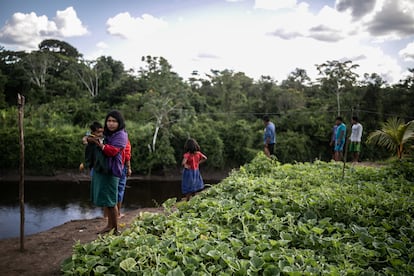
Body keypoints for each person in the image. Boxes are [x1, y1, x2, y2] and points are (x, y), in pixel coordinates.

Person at [88, 110, 128, 234]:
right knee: (107, 199)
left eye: (114, 121)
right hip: (103, 169)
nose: (111, 123)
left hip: (112, 170)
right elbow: (90, 136)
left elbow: (112, 151)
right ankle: (109, 225)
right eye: (109, 121)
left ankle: (115, 229)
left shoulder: (121, 135)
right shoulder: (108, 133)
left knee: (111, 200)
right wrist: (89, 139)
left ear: (119, 122)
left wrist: (99, 145)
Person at [117, 139, 132, 218]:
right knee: (120, 189)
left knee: (111, 190)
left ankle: (107, 214)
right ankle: (118, 213)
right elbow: (127, 155)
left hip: (110, 167)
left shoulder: (109, 136)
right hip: (121, 166)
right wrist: (129, 167)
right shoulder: (124, 138)